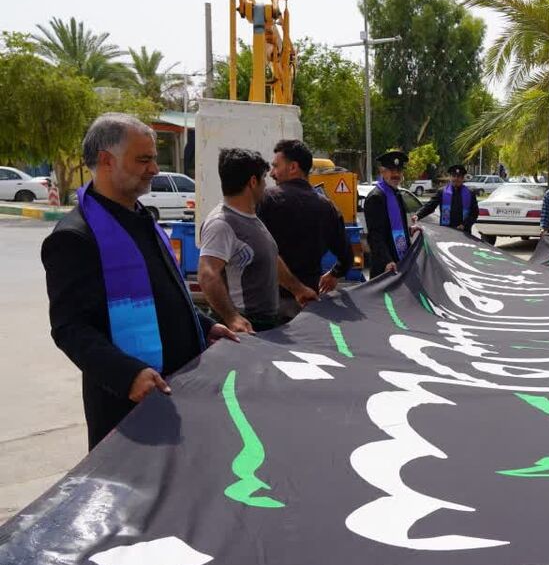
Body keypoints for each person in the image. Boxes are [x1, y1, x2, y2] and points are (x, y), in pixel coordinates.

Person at [42, 113, 237, 449]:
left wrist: (204, 326)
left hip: (179, 389)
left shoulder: (141, 218)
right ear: (106, 160)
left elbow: (163, 294)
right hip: (127, 403)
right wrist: (127, 375)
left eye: (154, 159)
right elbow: (70, 327)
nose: (155, 169)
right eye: (144, 159)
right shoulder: (76, 237)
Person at [198, 148, 317, 333]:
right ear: (253, 182)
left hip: (266, 324)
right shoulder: (221, 224)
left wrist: (298, 290)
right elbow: (208, 274)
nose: (266, 184)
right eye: (263, 178)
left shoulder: (250, 218)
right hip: (246, 326)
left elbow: (271, 259)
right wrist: (232, 318)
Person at [257, 139, 352, 320]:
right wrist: (334, 274)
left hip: (268, 305)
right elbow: (346, 256)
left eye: (276, 166)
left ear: (293, 167)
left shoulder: (265, 200)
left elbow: (257, 251)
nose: (271, 173)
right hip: (309, 306)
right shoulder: (327, 207)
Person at [364, 150, 421, 278]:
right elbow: (375, 235)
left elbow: (394, 227)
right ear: (382, 172)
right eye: (391, 170)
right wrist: (387, 261)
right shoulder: (376, 197)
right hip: (386, 266)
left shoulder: (397, 194)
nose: (396, 174)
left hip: (401, 261)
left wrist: (409, 230)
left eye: (399, 171)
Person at [416, 163, 478, 236]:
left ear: (462, 178)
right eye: (454, 176)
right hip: (445, 232)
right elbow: (430, 205)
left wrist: (464, 225)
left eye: (459, 176)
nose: (456, 179)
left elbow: (474, 213)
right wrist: (418, 215)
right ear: (450, 177)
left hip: (465, 233)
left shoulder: (470, 193)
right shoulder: (442, 192)